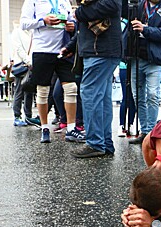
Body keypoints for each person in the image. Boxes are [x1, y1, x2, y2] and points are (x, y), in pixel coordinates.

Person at [20, 0, 83, 144]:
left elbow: (71, 20)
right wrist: (43, 21)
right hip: (42, 51)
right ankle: (44, 127)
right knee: (43, 91)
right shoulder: (33, 1)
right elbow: (24, 23)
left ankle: (71, 128)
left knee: (71, 88)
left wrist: (71, 25)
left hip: (63, 50)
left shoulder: (64, 1)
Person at [65, 0, 121, 157]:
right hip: (102, 49)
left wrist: (80, 12)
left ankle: (95, 142)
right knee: (101, 97)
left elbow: (112, 5)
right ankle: (104, 142)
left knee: (90, 93)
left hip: (99, 49)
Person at [127, 0, 161, 145]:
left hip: (154, 60)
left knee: (153, 95)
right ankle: (145, 130)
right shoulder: (137, 6)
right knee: (138, 96)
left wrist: (144, 29)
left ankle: (153, 132)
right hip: (136, 57)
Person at [11, 22, 33, 127]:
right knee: (19, 91)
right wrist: (28, 61)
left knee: (29, 91)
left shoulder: (33, 31)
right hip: (21, 64)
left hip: (32, 65)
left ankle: (28, 116)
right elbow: (18, 48)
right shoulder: (17, 31)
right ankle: (17, 116)